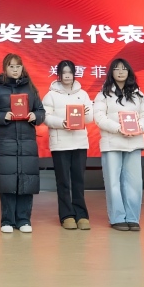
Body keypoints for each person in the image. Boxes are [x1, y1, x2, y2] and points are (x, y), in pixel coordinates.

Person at [0, 53, 45, 233]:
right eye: (11, 66)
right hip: (5, 143)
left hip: (27, 143)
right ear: (5, 68)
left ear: (22, 68)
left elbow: (41, 111)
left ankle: (24, 220)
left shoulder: (30, 88)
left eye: (18, 66)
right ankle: (7, 221)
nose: (15, 70)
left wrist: (35, 116)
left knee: (27, 181)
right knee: (7, 182)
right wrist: (4, 116)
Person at [94, 58, 144, 231]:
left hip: (134, 143)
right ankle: (117, 218)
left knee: (134, 182)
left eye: (124, 69)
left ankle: (133, 218)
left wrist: (138, 128)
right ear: (111, 72)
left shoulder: (138, 94)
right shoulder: (103, 94)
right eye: (117, 69)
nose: (120, 72)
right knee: (113, 182)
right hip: (112, 143)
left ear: (129, 72)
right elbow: (99, 117)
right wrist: (118, 128)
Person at [42, 60, 93, 230]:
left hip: (79, 142)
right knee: (63, 181)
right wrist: (62, 123)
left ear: (74, 74)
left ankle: (81, 214)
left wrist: (86, 114)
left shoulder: (83, 94)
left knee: (78, 180)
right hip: (60, 143)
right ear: (58, 74)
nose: (67, 76)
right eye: (63, 73)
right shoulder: (51, 95)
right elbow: (45, 117)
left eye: (70, 72)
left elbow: (89, 118)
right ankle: (66, 215)